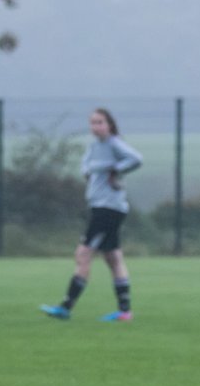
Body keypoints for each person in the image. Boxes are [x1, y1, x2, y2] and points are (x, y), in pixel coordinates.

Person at [40, 108, 143, 322]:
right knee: (113, 258)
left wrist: (116, 170)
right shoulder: (94, 147)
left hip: (108, 209)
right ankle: (125, 311)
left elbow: (136, 159)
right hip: (101, 207)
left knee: (83, 254)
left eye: (100, 122)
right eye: (93, 122)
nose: (95, 126)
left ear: (110, 125)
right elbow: (86, 168)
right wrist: (91, 172)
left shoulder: (113, 143)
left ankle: (66, 307)